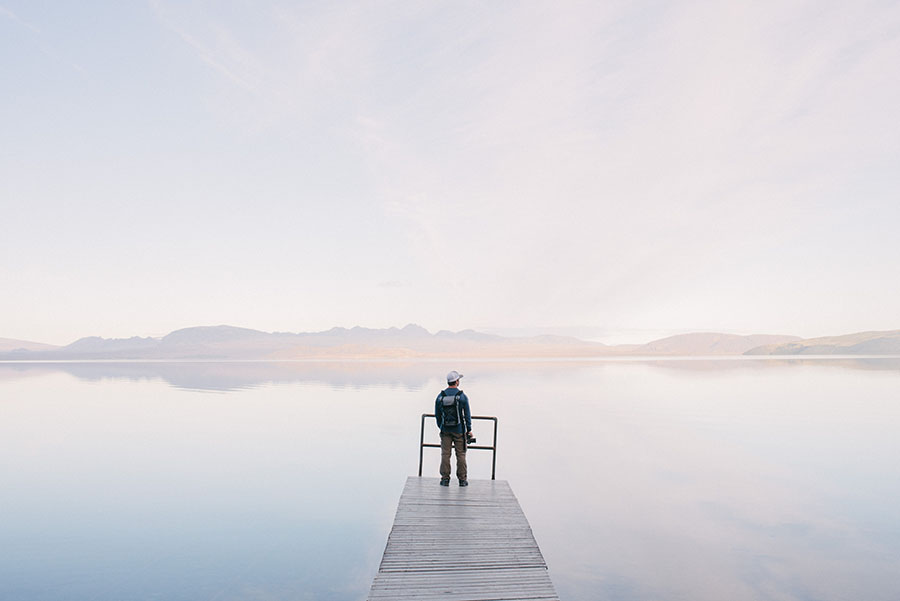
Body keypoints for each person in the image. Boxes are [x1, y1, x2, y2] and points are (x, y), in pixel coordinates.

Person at [435, 370, 473, 486]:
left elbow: (437, 415)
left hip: (445, 430)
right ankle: (462, 480)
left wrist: (441, 426)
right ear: (456, 381)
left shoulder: (440, 396)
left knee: (445, 454)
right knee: (460, 455)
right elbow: (467, 415)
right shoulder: (462, 396)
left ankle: (445, 479)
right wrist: (469, 430)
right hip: (459, 431)